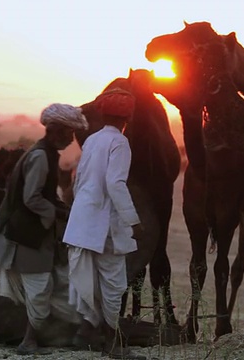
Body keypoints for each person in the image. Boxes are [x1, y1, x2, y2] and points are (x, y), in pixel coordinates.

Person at [0, 103, 88, 355]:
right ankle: (28, 342)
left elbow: (43, 196)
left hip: (32, 234)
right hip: (26, 236)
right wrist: (57, 214)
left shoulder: (44, 154)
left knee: (58, 283)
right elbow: (31, 198)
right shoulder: (41, 157)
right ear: (55, 130)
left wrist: (65, 211)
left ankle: (75, 333)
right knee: (40, 289)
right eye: (68, 133)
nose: (71, 139)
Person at [63, 88, 146, 360]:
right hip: (105, 225)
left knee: (91, 281)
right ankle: (113, 344)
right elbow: (115, 183)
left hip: (83, 222)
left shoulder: (92, 141)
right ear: (129, 118)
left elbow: (79, 180)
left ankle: (86, 334)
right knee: (114, 284)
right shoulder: (120, 143)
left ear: (102, 114)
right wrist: (133, 220)